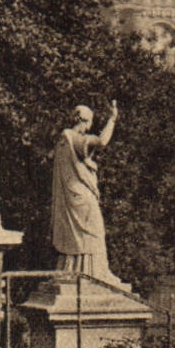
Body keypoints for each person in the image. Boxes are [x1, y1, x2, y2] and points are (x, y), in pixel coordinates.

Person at [51, 101, 122, 285]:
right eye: (89, 122)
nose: (89, 127)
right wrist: (112, 119)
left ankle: (74, 270)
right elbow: (102, 141)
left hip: (71, 197)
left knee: (79, 236)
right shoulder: (74, 138)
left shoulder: (62, 141)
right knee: (94, 233)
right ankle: (94, 274)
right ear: (84, 121)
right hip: (82, 197)